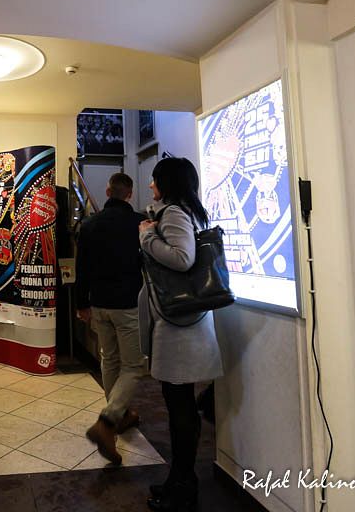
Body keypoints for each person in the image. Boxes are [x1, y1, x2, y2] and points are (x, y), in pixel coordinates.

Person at [138, 158, 223, 512]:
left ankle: (184, 486)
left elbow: (182, 258)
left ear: (167, 183)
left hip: (179, 326)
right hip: (188, 322)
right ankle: (179, 480)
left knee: (180, 409)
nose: (151, 186)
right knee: (180, 407)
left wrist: (146, 235)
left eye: (155, 180)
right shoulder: (188, 211)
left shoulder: (174, 213)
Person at [75, 172, 147, 464]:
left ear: (108, 191)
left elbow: (82, 267)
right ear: (130, 194)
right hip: (127, 304)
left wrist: (82, 304)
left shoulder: (89, 224)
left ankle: (120, 413)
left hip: (99, 303)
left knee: (109, 359)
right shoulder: (139, 223)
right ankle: (107, 421)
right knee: (134, 366)